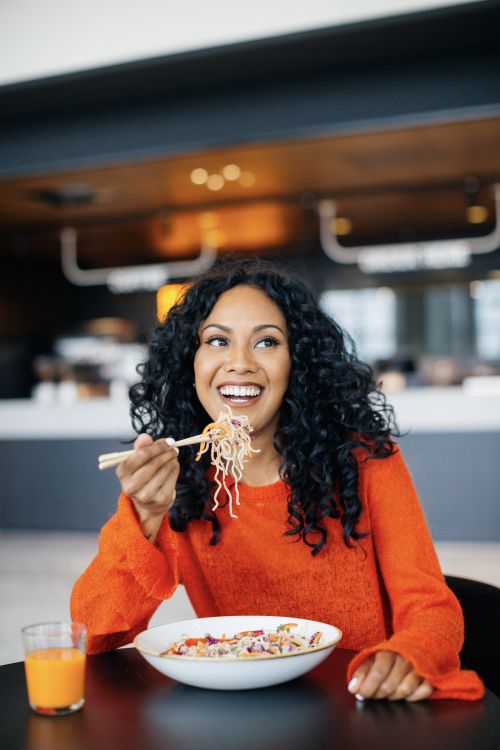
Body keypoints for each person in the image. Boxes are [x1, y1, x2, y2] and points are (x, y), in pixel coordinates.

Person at [71, 258, 484, 701]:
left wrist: (409, 654)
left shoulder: (364, 459)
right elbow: (94, 633)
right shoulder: (179, 479)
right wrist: (145, 517)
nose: (240, 363)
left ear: (297, 363)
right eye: (217, 341)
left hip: (360, 706)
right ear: (190, 364)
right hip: (240, 710)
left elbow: (431, 607)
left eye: (266, 342)